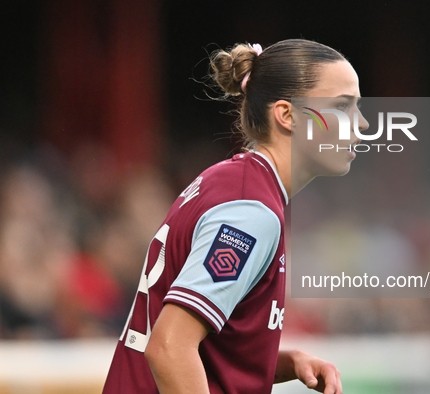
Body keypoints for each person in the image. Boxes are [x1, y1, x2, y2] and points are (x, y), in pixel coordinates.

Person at [103, 38, 368, 394]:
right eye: (342, 106)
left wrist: (281, 362)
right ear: (287, 115)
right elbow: (169, 347)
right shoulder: (250, 211)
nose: (362, 123)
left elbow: (206, 347)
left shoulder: (234, 183)